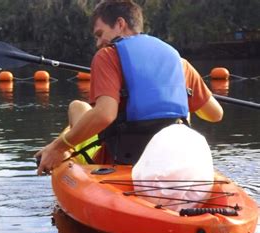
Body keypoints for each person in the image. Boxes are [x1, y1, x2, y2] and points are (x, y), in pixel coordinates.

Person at [35, 0, 223, 175]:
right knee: (78, 107)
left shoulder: (107, 56)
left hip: (122, 162)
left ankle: (70, 149)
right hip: (175, 161)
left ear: (120, 24)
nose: (98, 43)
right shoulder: (179, 62)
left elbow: (104, 115)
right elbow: (215, 114)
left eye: (100, 34)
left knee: (77, 107)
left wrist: (58, 147)